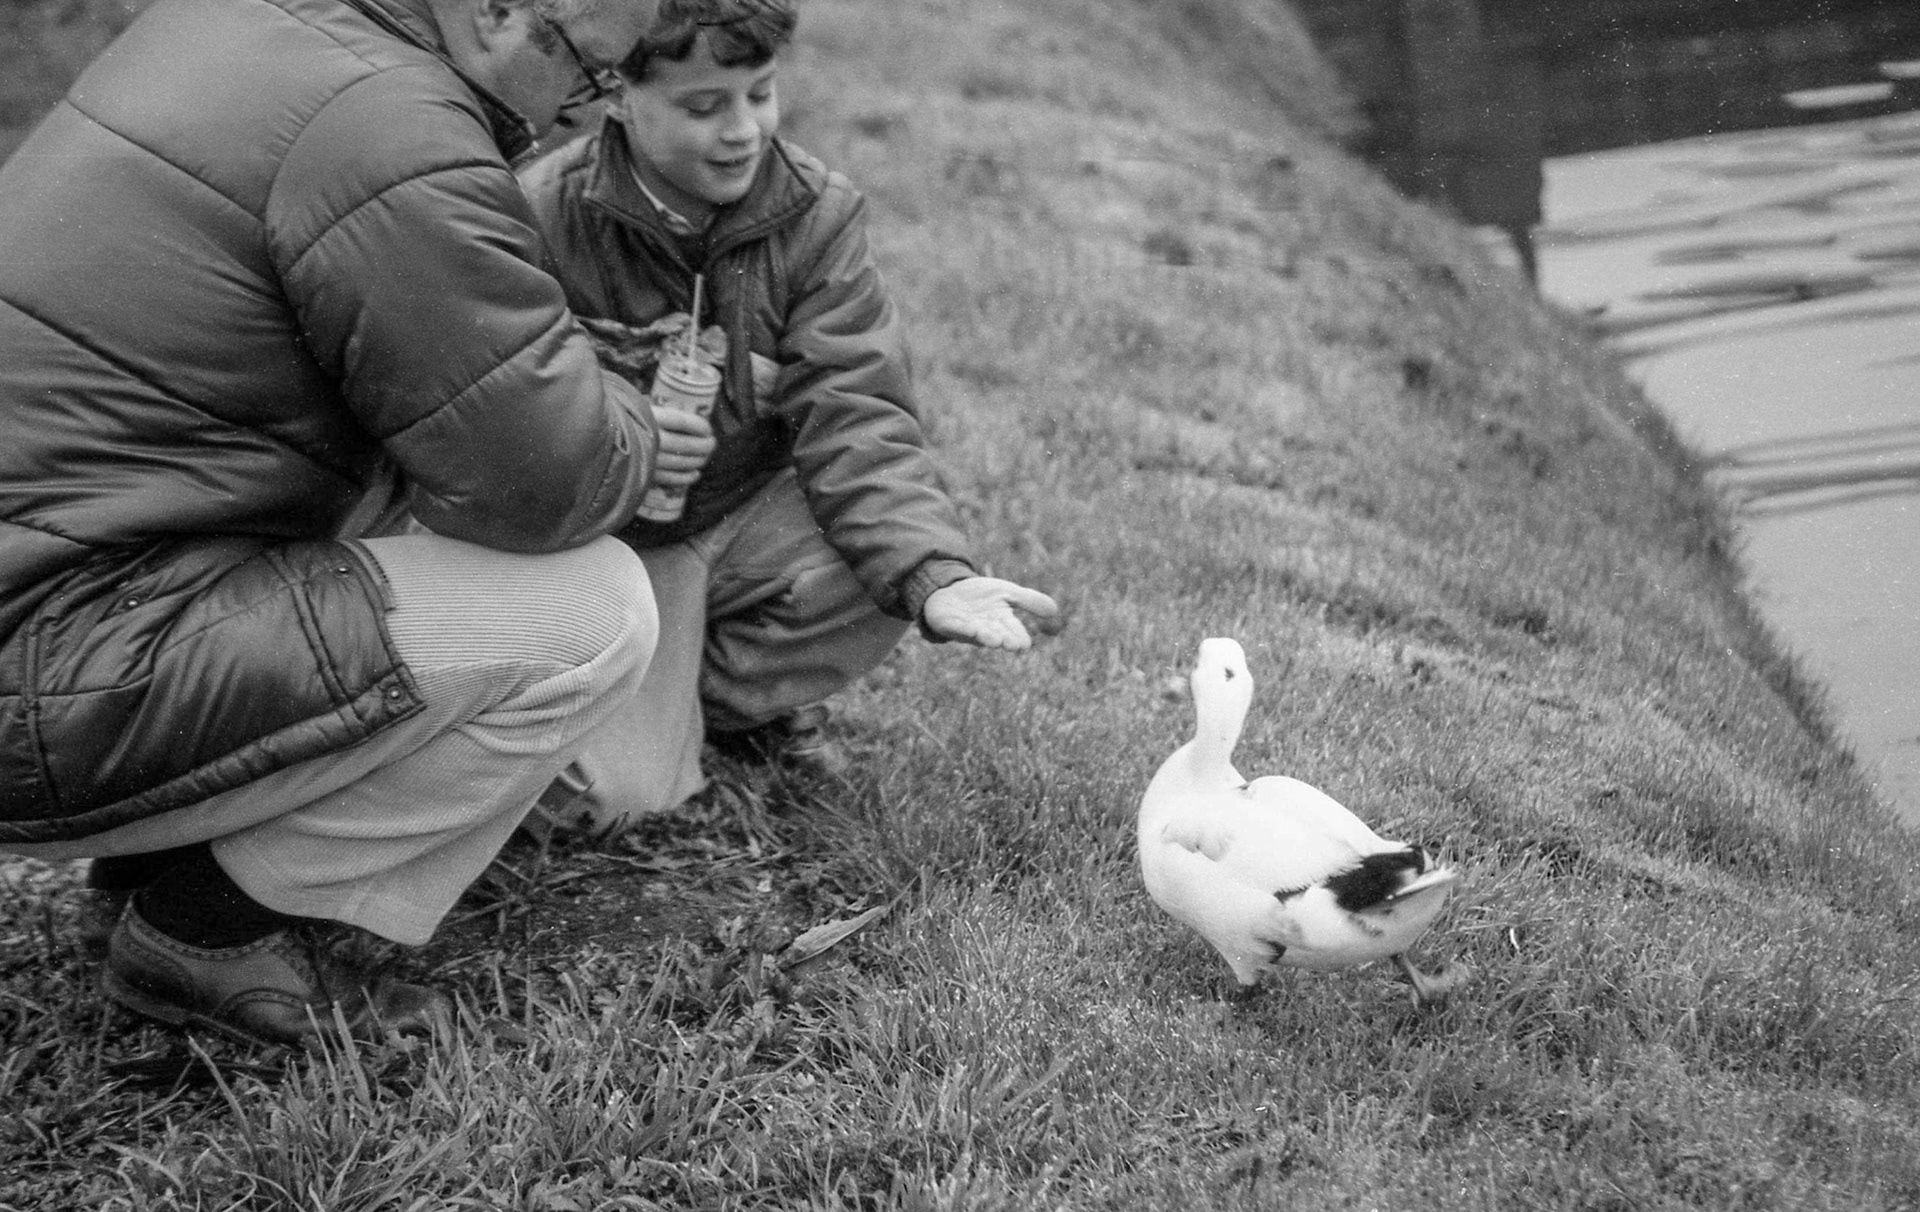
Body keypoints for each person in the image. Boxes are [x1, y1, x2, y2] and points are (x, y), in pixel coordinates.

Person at [0, 0, 672, 1048]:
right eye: (586, 74)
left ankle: (165, 848)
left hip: (51, 612)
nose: (580, 117)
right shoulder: (394, 125)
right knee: (593, 612)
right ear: (499, 11)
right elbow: (543, 480)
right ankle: (210, 929)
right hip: (47, 673)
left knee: (396, 476)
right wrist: (632, 399)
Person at [517, 0, 1060, 833]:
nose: (744, 131)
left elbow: (859, 414)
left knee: (886, 560)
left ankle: (720, 706)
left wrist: (932, 577)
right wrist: (608, 435)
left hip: (736, 513)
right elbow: (495, 413)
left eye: (760, 94)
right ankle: (640, 702)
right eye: (705, 107)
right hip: (604, 546)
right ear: (619, 93)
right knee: (611, 805)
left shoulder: (817, 214)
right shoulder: (541, 211)